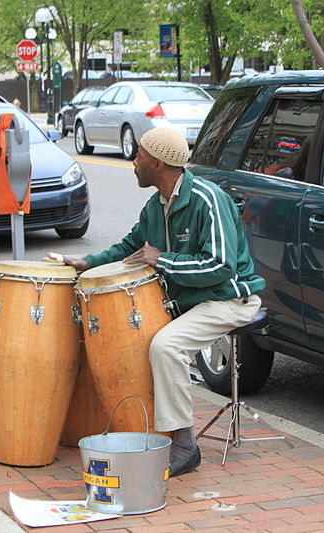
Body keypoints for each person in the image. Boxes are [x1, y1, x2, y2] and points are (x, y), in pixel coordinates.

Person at [57, 127, 266, 477]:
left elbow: (220, 266)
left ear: (156, 163)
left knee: (166, 346)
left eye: (138, 156)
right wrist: (88, 262)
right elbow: (131, 247)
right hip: (190, 302)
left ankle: (184, 446)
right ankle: (143, 432)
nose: (133, 161)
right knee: (134, 343)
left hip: (229, 297)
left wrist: (162, 260)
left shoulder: (207, 199)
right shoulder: (156, 206)